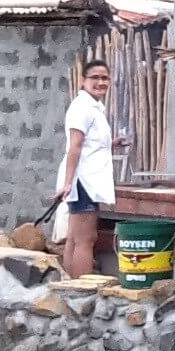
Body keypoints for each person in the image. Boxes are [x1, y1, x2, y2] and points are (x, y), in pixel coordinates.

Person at [57, 59, 127, 277]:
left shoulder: (93, 107)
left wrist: (112, 143)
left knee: (74, 238)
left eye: (104, 77)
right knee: (85, 240)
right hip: (83, 181)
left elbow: (88, 144)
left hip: (85, 179)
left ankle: (69, 287)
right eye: (95, 77)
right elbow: (75, 146)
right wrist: (69, 182)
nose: (100, 82)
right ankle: (81, 292)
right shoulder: (82, 108)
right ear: (83, 80)